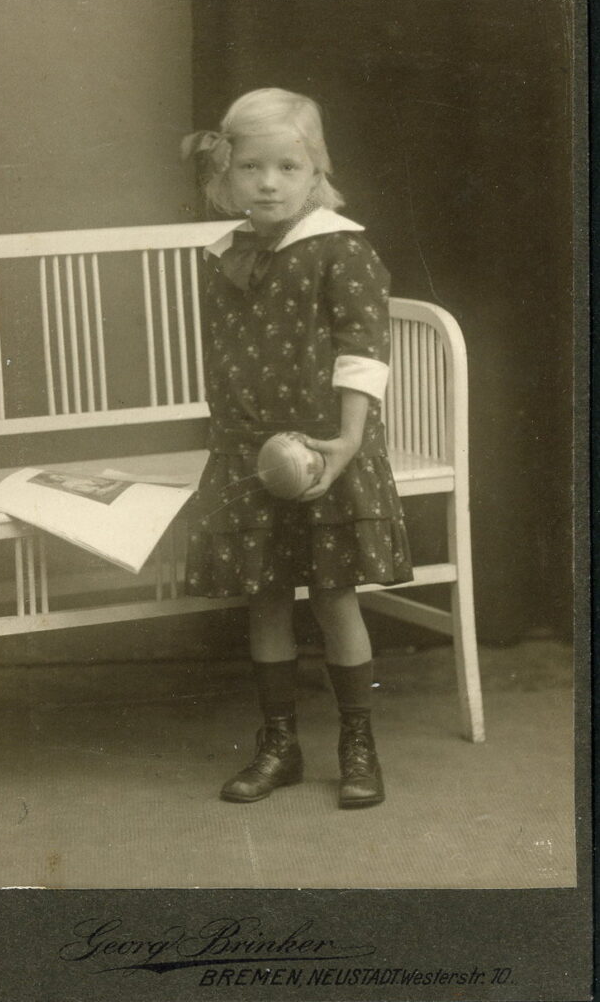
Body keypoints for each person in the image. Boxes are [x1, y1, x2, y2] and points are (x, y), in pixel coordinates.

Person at [182, 88, 413, 809]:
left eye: (288, 166)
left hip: (325, 450)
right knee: (267, 599)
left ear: (318, 173)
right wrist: (232, 441)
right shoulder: (225, 257)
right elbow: (228, 361)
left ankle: (357, 741)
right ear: (226, 176)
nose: (269, 182)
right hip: (250, 454)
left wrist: (346, 442)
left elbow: (362, 351)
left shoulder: (341, 248)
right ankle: (279, 744)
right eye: (251, 167)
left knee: (335, 595)